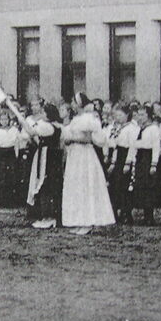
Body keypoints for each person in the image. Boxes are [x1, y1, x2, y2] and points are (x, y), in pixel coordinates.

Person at [60, 93, 115, 235]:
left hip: (84, 155)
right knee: (76, 187)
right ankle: (78, 221)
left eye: (74, 102)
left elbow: (92, 139)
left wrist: (73, 139)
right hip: (74, 155)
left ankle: (88, 222)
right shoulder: (75, 119)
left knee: (85, 186)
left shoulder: (89, 119)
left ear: (79, 104)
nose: (72, 104)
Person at [8, 99, 64, 229]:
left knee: (45, 184)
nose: (42, 115)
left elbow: (31, 132)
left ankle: (49, 217)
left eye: (44, 113)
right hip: (53, 156)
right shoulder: (57, 126)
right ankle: (50, 216)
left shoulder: (47, 126)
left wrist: (21, 119)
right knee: (50, 184)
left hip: (47, 156)